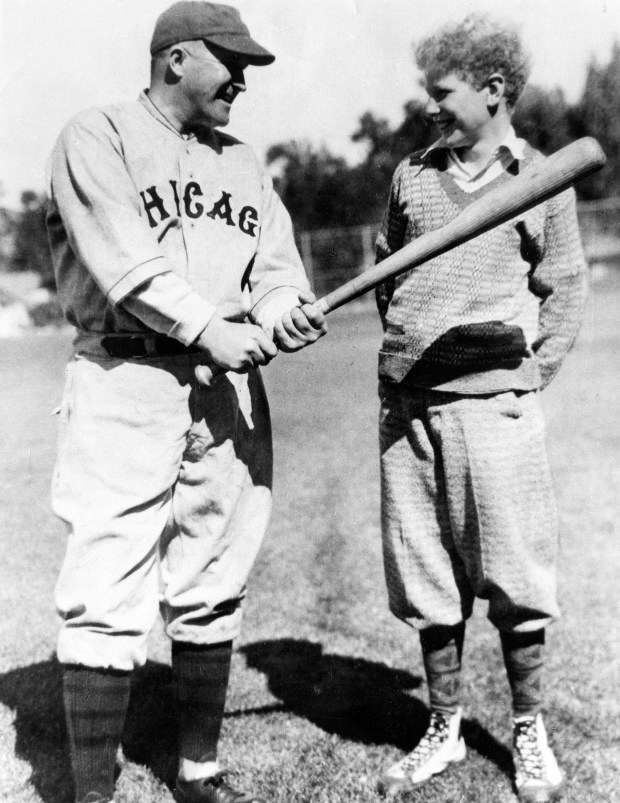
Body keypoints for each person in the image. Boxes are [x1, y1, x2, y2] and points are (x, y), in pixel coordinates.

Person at [46, 3, 326, 802]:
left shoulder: (242, 162)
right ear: (175, 59)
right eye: (229, 61)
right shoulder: (96, 136)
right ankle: (91, 793)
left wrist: (281, 310)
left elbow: (272, 267)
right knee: (106, 581)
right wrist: (209, 326)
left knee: (214, 568)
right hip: (127, 376)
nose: (243, 78)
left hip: (227, 386)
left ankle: (198, 769)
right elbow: (124, 263)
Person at [373, 15, 587, 803]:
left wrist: (527, 378)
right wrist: (405, 356)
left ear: (493, 90)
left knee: (516, 572)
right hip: (409, 405)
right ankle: (444, 724)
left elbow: (564, 287)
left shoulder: (542, 175)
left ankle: (528, 730)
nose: (429, 106)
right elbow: (388, 270)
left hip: (495, 406)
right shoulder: (411, 175)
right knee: (426, 574)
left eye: (442, 92)